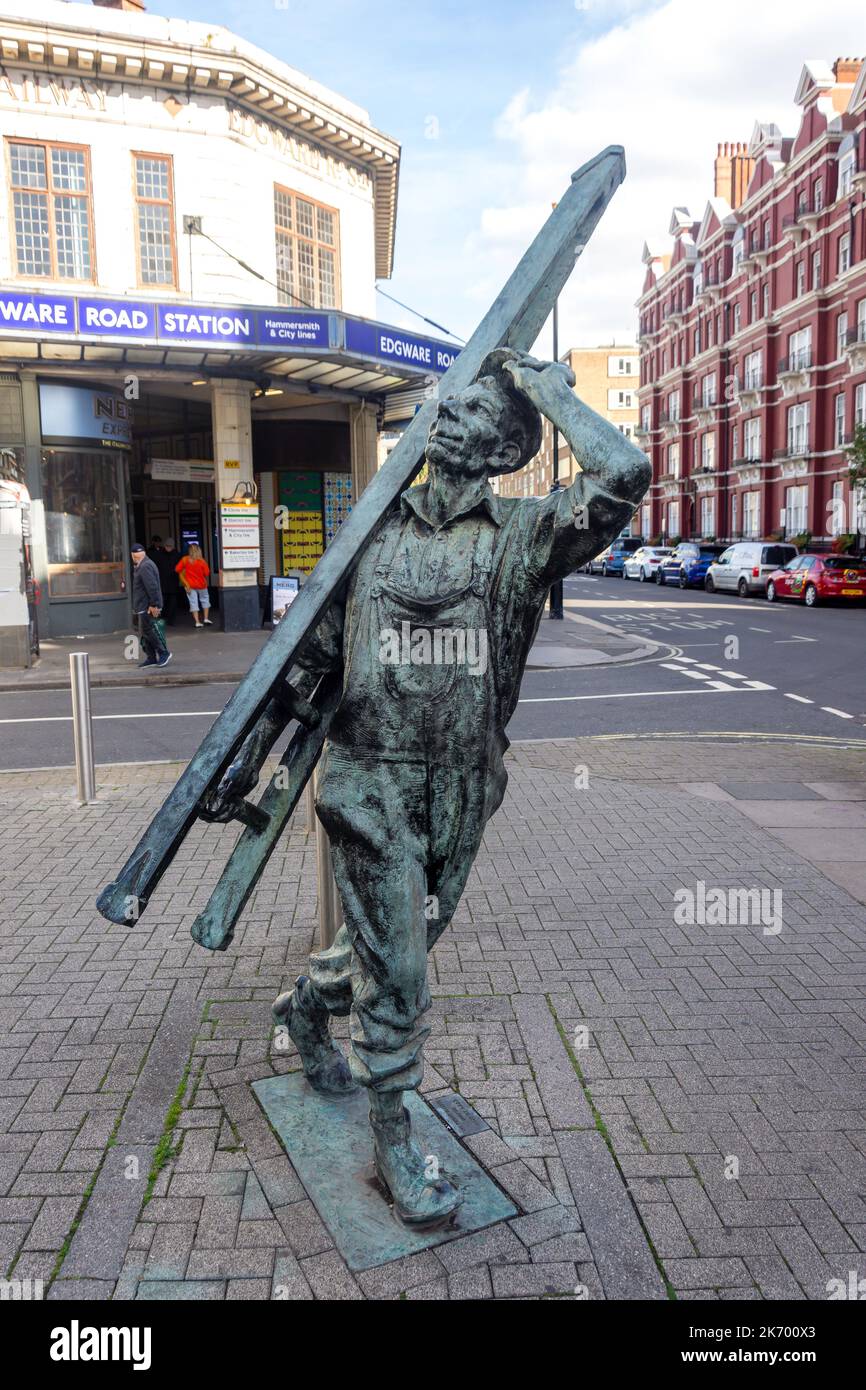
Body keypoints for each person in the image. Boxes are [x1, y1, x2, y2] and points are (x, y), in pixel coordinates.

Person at [205, 349, 651, 1227]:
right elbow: (308, 668)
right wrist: (246, 759)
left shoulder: (522, 536)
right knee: (403, 967)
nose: (447, 414)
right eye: (447, 404)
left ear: (502, 450)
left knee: (398, 938)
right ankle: (395, 1141)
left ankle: (306, 1005)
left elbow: (624, 475)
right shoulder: (368, 531)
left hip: (462, 787)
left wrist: (551, 392)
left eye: (477, 413)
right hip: (366, 776)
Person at [131, 543, 171, 669]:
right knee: (145, 632)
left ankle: (163, 653)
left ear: (133, 555)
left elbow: (152, 587)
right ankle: (151, 658)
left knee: (148, 631)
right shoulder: (144, 564)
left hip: (146, 606)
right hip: (143, 605)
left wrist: (154, 605)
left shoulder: (145, 566)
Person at [176, 544, 212, 628]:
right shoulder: (202, 561)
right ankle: (206, 619)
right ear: (199, 550)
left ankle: (197, 622)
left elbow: (177, 569)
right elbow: (207, 573)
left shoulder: (184, 559)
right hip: (202, 585)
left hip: (190, 586)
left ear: (189, 551)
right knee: (205, 600)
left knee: (193, 602)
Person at [152, 536, 181, 626]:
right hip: (163, 582)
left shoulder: (177, 555)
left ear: (173, 546)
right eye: (167, 546)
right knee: (162, 602)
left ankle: (171, 620)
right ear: (164, 545)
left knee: (172, 602)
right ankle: (161, 618)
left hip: (172, 582)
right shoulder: (159, 555)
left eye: (170, 546)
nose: (168, 548)